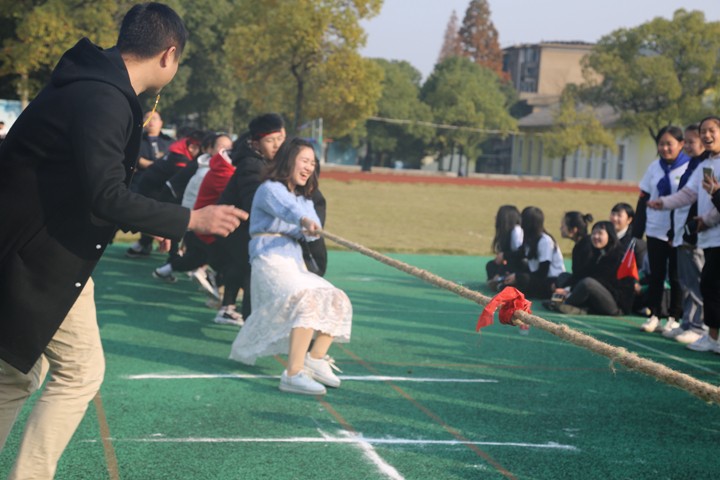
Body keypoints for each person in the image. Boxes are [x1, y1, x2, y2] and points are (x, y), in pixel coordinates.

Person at [0, 4, 246, 478]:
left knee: (15, 372)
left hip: (29, 248)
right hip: (42, 257)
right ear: (169, 55)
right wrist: (190, 218)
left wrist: (157, 219)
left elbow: (88, 187)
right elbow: (107, 196)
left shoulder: (89, 82)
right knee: (79, 373)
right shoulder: (105, 97)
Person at [229, 138, 352, 396]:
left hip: (294, 262)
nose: (309, 167)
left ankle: (314, 359)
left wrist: (312, 229)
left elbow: (310, 231)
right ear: (288, 160)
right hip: (269, 260)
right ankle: (293, 374)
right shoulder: (269, 188)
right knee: (307, 300)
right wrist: (304, 220)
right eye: (304, 161)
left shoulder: (304, 198)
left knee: (336, 298)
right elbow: (287, 210)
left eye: (313, 163)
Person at [649, 116, 720, 353]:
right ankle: (712, 336)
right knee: (709, 285)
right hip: (709, 237)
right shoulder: (705, 164)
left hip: (712, 232)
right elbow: (689, 194)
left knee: (709, 284)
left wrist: (708, 219)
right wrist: (663, 203)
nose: (706, 135)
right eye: (703, 131)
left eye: (711, 131)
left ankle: (706, 331)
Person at [213, 113, 287, 324]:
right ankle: (251, 321)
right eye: (270, 141)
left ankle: (227, 308)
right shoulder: (252, 165)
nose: (277, 145)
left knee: (240, 266)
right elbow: (254, 204)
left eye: (280, 139)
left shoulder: (261, 160)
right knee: (252, 268)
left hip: (238, 226)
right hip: (233, 226)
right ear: (256, 143)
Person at [634, 126, 690, 334]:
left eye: (669, 144)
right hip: (655, 228)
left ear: (681, 144)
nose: (665, 148)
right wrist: (637, 230)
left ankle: (674, 317)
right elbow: (644, 198)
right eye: (661, 144)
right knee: (656, 275)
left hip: (677, 231)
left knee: (676, 276)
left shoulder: (688, 167)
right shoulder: (654, 167)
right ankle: (655, 315)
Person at [662, 124, 708, 344]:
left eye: (692, 142)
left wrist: (692, 228)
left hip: (696, 234)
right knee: (685, 280)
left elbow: (700, 201)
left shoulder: (706, 166)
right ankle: (687, 322)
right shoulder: (692, 165)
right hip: (681, 232)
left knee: (697, 281)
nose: (687, 146)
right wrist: (674, 230)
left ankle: (700, 326)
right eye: (686, 142)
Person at [548, 222, 635, 316]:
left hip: (615, 304)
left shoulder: (617, 255)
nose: (596, 237)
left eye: (600, 233)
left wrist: (570, 290)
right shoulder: (597, 253)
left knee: (588, 283)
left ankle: (565, 303)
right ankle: (569, 302)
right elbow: (583, 273)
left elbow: (601, 281)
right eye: (593, 233)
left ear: (610, 236)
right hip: (597, 293)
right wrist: (566, 286)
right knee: (564, 276)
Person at [503, 206, 565, 299]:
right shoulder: (530, 239)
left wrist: (517, 276)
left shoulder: (545, 241)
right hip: (537, 277)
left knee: (523, 279)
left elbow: (542, 272)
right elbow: (519, 255)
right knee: (510, 267)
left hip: (551, 281)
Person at [130, 109, 174, 191]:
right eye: (147, 118)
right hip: (139, 183)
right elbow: (137, 160)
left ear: (161, 123)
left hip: (163, 184)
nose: (150, 120)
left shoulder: (170, 142)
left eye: (154, 118)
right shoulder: (135, 140)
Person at [485, 205, 523, 291]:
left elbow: (520, 255)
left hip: (519, 266)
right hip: (510, 263)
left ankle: (501, 282)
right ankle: (499, 281)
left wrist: (504, 255)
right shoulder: (508, 231)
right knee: (490, 265)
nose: (496, 217)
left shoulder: (517, 231)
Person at [555, 212, 594, 288]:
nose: (560, 228)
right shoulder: (579, 245)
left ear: (574, 230)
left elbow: (581, 275)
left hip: (587, 285)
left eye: (563, 226)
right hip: (581, 281)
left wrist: (565, 287)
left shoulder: (587, 247)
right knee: (562, 277)